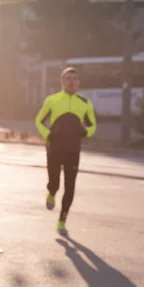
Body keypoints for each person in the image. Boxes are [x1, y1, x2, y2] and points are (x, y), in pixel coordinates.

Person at [35, 67, 97, 236]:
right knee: (54, 180)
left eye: (74, 79)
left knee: (70, 186)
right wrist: (48, 135)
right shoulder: (52, 100)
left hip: (73, 150)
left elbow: (92, 125)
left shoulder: (84, 103)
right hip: (54, 148)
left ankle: (62, 221)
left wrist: (86, 132)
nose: (71, 81)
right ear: (62, 82)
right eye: (68, 78)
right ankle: (52, 192)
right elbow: (39, 120)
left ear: (79, 83)